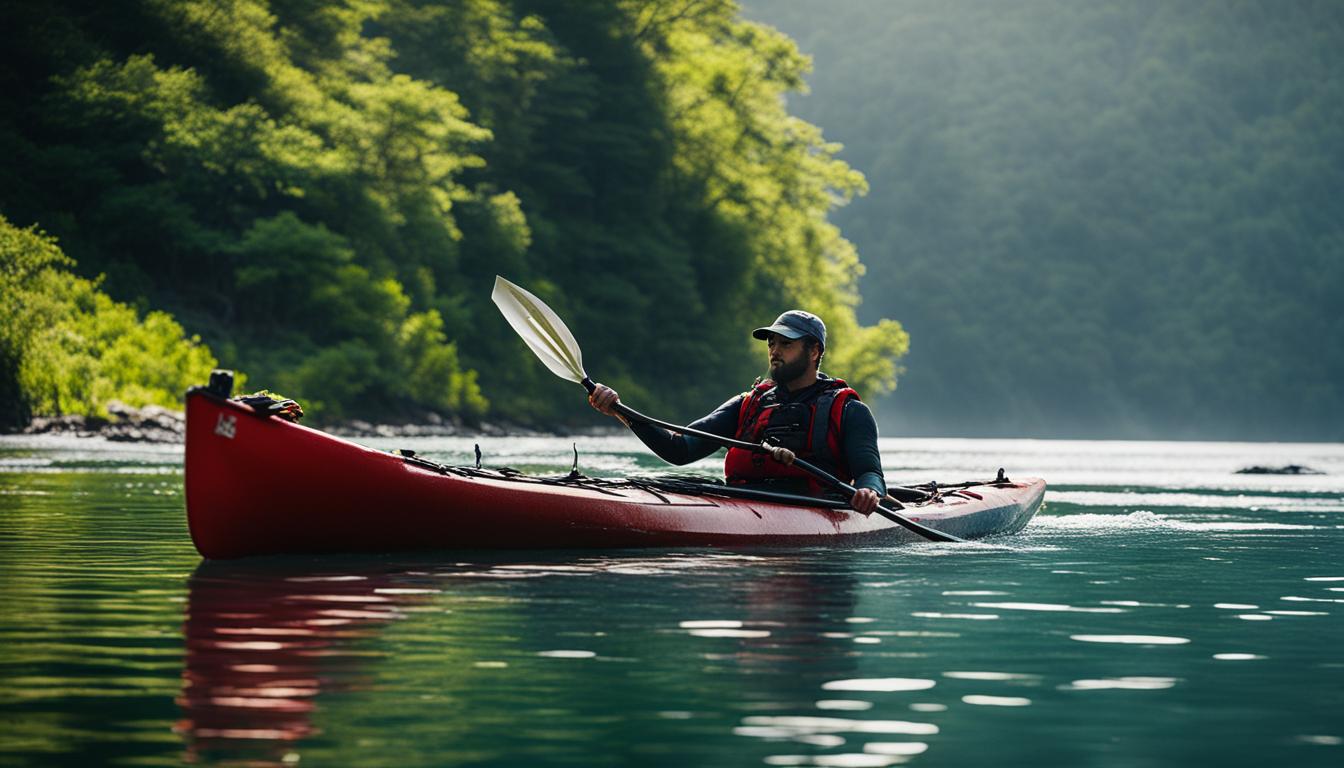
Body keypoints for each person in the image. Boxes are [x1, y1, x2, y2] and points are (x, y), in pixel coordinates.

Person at [588, 310, 884, 515]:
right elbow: (678, 449)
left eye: (786, 344)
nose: (774, 351)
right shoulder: (749, 404)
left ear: (815, 351)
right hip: (743, 503)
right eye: (771, 343)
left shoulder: (849, 410)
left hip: (817, 510)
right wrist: (619, 410)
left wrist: (869, 493)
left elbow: (870, 474)